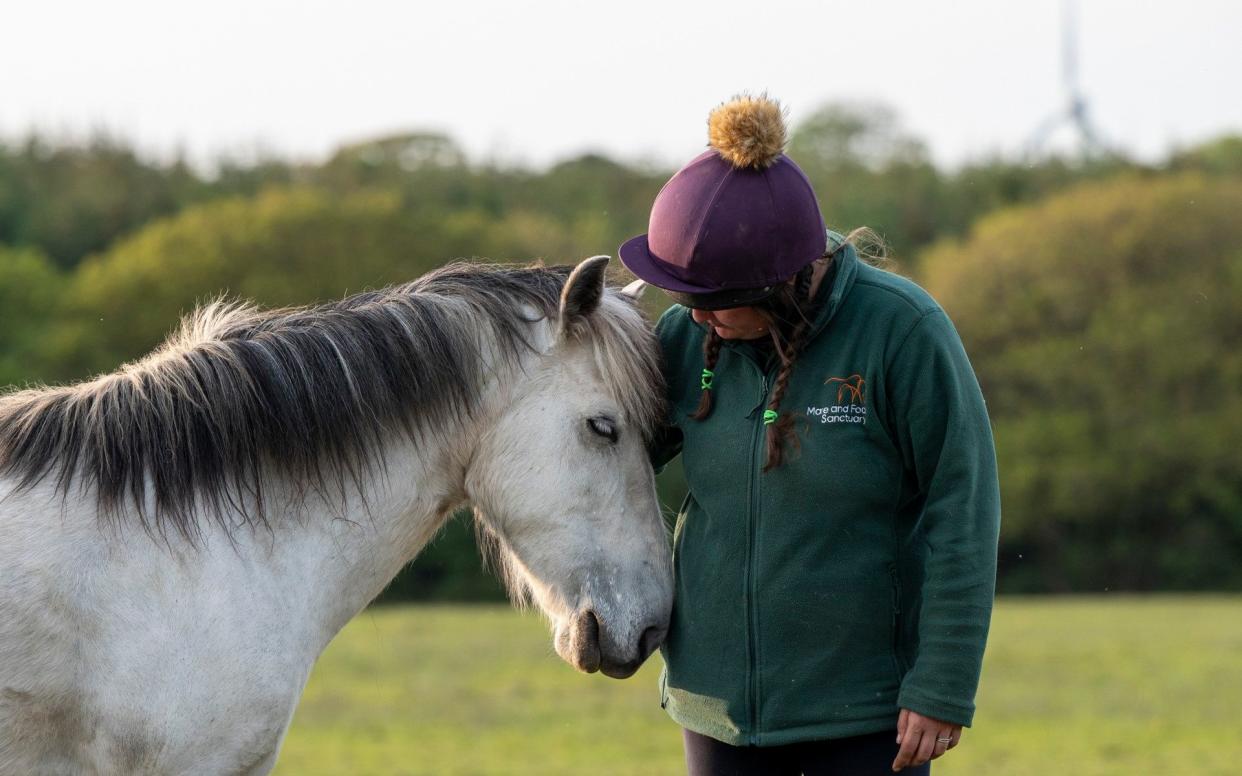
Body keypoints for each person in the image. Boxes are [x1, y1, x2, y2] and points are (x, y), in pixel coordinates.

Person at [618, 95, 1001, 775]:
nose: (693, 316)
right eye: (685, 299)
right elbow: (608, 460)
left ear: (783, 283)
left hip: (865, 712)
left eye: (711, 299)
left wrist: (942, 685)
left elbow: (961, 507)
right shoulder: (687, 336)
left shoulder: (903, 331)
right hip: (715, 709)